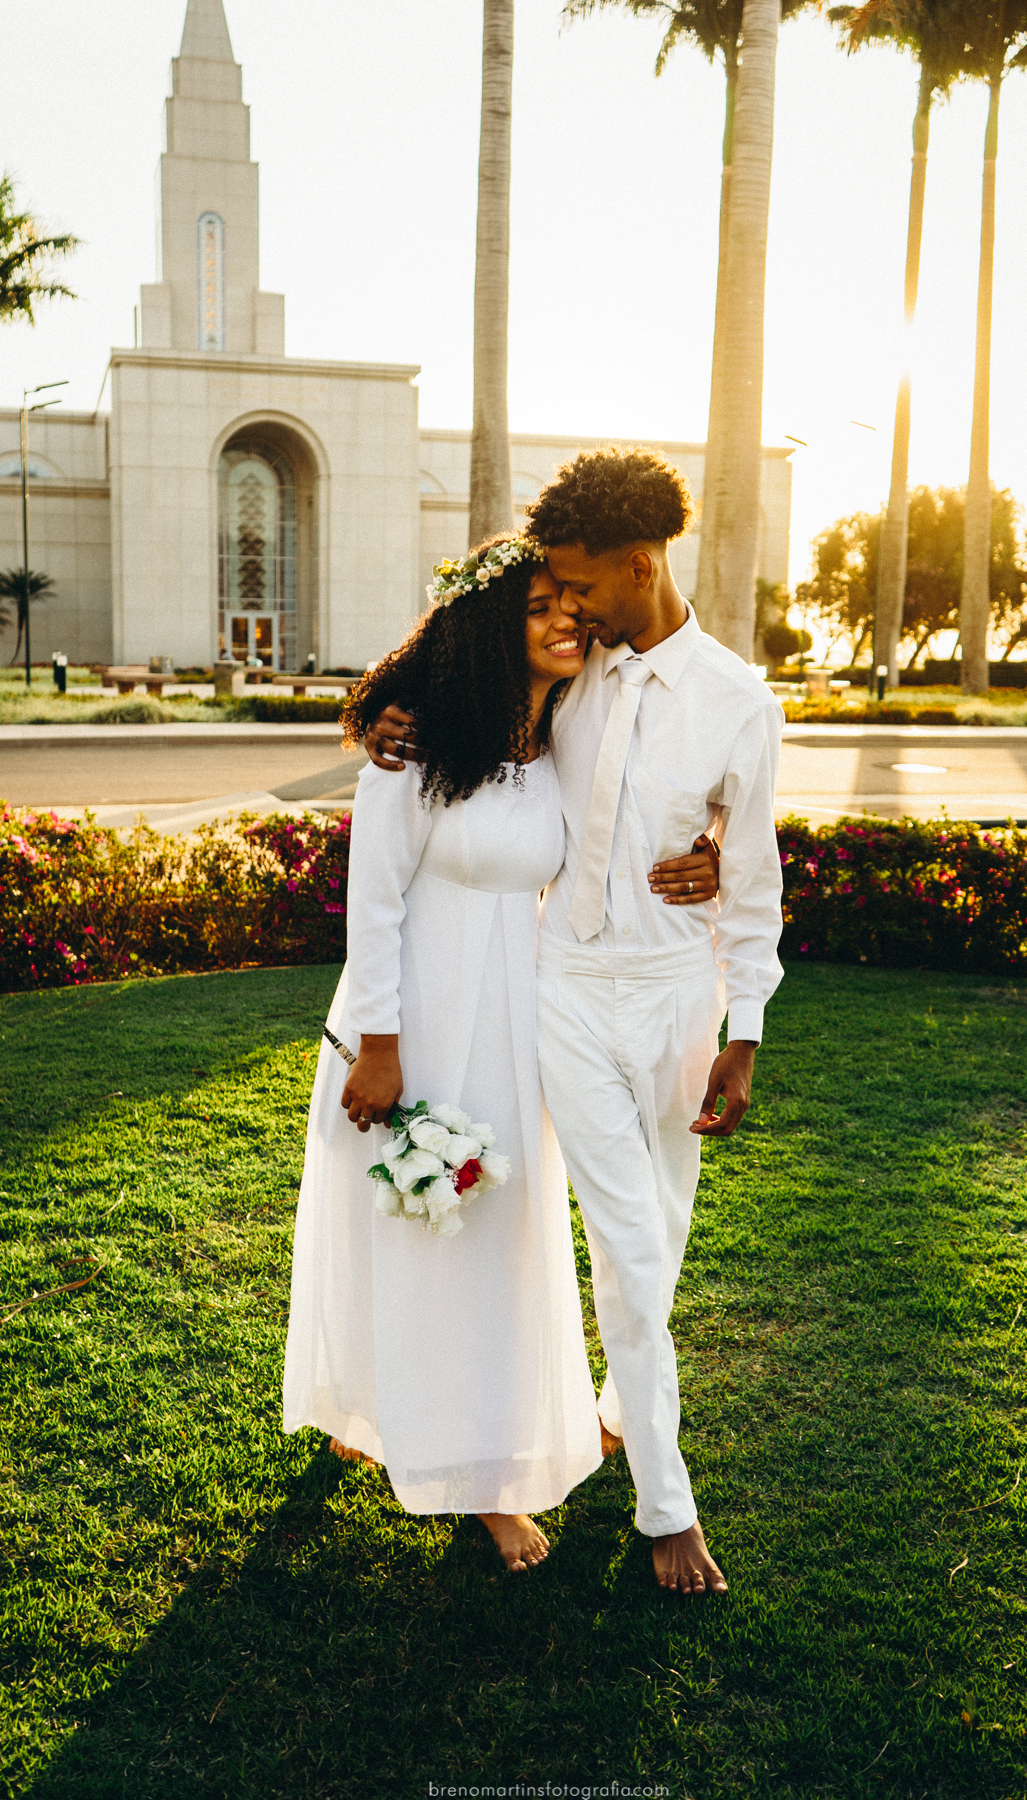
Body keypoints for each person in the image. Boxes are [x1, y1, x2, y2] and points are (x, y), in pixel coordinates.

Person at [366, 449, 785, 1596]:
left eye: (579, 583)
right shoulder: (568, 671)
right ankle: (667, 1504)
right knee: (632, 1250)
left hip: (677, 1001)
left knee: (664, 1230)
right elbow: (465, 699)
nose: (565, 605)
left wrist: (742, 1033)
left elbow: (751, 884)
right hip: (561, 991)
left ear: (639, 566)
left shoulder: (739, 704)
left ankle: (613, 1409)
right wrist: (391, 719)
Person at [283, 534, 720, 1574]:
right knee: (412, 1216)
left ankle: (462, 1439)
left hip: (519, 1015)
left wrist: (709, 851)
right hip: (418, 1010)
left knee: (492, 1226)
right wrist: (380, 1049)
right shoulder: (417, 742)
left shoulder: (567, 731)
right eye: (541, 607)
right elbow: (374, 901)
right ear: (488, 627)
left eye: (574, 604)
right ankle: (458, 1469)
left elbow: (653, 798)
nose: (569, 621)